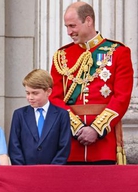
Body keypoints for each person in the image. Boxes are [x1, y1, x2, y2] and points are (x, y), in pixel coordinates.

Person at [49, 2, 133, 165]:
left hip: (104, 144)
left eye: (72, 26)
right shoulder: (62, 56)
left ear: (88, 21)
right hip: (71, 144)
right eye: (66, 26)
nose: (69, 32)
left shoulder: (118, 52)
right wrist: (77, 128)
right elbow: (54, 97)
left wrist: (96, 129)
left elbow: (121, 97)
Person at [8, 69, 71, 165]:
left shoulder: (61, 115)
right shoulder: (19, 114)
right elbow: (14, 146)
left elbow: (64, 146)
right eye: (28, 93)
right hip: (25, 172)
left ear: (48, 92)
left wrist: (53, 169)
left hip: (53, 173)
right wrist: (21, 169)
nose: (30, 97)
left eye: (35, 93)